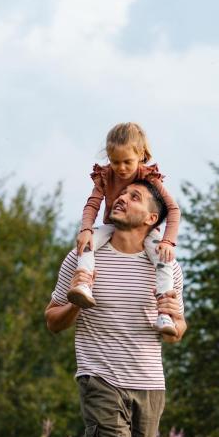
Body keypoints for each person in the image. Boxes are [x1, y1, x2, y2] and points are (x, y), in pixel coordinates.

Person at [46, 180, 186, 437]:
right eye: (120, 195)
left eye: (134, 197)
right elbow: (52, 320)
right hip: (100, 380)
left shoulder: (166, 265)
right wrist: (78, 303)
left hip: (150, 387)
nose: (121, 198)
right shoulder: (84, 256)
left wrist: (176, 319)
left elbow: (176, 331)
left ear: (152, 218)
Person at [68, 122, 182, 336]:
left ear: (140, 154)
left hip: (147, 232)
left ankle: (164, 311)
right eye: (114, 161)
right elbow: (93, 203)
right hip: (112, 226)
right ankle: (84, 283)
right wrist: (86, 228)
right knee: (88, 242)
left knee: (163, 259)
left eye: (127, 162)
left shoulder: (147, 176)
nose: (120, 168)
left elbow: (173, 209)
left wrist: (168, 241)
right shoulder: (105, 175)